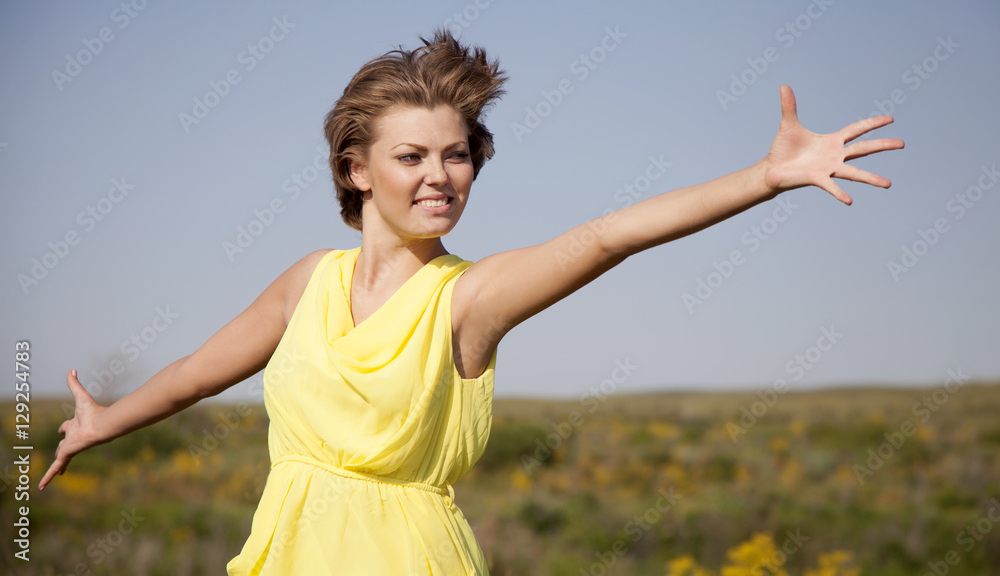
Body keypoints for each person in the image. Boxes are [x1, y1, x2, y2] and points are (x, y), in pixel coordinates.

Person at [39, 28, 903, 574]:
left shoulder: (469, 298)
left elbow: (605, 236)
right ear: (356, 168)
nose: (440, 176)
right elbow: (195, 372)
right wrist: (104, 422)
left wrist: (764, 177)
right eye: (411, 156)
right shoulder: (311, 280)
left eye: (457, 156)